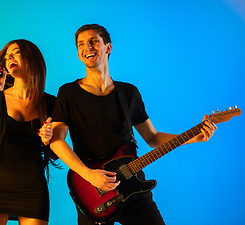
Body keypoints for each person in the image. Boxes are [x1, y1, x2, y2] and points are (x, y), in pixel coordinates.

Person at [49, 24, 217, 225]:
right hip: (93, 191)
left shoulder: (128, 93)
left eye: (93, 41)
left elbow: (152, 137)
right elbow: (56, 141)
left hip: (133, 186)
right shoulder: (68, 93)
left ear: (108, 47)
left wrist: (192, 137)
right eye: (81, 44)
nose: (87, 47)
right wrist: (89, 175)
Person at [0, 39, 58, 225]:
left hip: (33, 187)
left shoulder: (51, 103)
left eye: (15, 53)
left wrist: (48, 142)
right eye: (7, 56)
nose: (10, 58)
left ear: (31, 59)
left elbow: (55, 154)